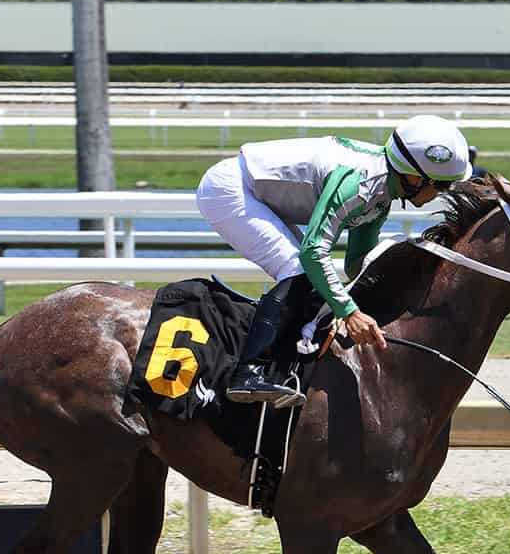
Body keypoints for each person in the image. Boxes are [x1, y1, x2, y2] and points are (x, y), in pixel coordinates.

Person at [196, 114, 473, 406]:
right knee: (298, 269)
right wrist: (350, 313)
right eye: (441, 186)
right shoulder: (360, 185)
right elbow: (313, 251)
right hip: (230, 190)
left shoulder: (381, 196)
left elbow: (358, 263)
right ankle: (248, 373)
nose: (443, 193)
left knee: (310, 280)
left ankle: (282, 366)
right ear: (416, 178)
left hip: (255, 192)